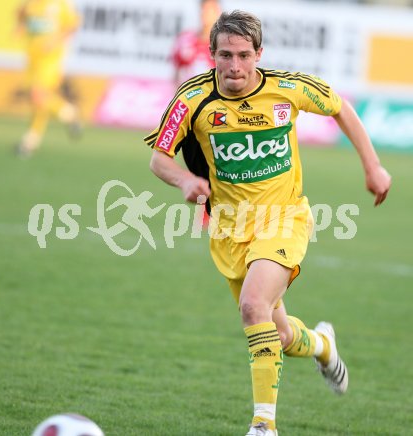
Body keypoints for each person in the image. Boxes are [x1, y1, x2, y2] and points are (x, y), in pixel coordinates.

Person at [145, 10, 391, 436]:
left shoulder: (287, 89)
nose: (234, 66)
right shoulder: (192, 99)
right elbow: (158, 158)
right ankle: (321, 344)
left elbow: (341, 108)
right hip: (229, 229)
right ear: (212, 54)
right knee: (278, 333)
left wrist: (373, 167)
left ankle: (263, 425)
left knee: (252, 307)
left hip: (285, 219)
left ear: (260, 53)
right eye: (225, 56)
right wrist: (186, 179)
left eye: (243, 55)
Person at [15, 0, 81, 157]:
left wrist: (54, 41)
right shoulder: (31, 3)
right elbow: (21, 13)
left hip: (50, 59)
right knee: (38, 101)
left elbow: (72, 25)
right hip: (33, 57)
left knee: (38, 95)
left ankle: (68, 113)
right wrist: (20, 26)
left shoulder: (58, 4)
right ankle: (31, 141)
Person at [171, 0, 221, 88]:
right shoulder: (185, 39)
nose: (206, 14)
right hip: (186, 97)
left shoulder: (222, 45)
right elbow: (176, 73)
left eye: (210, 10)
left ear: (217, 12)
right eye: (204, 9)